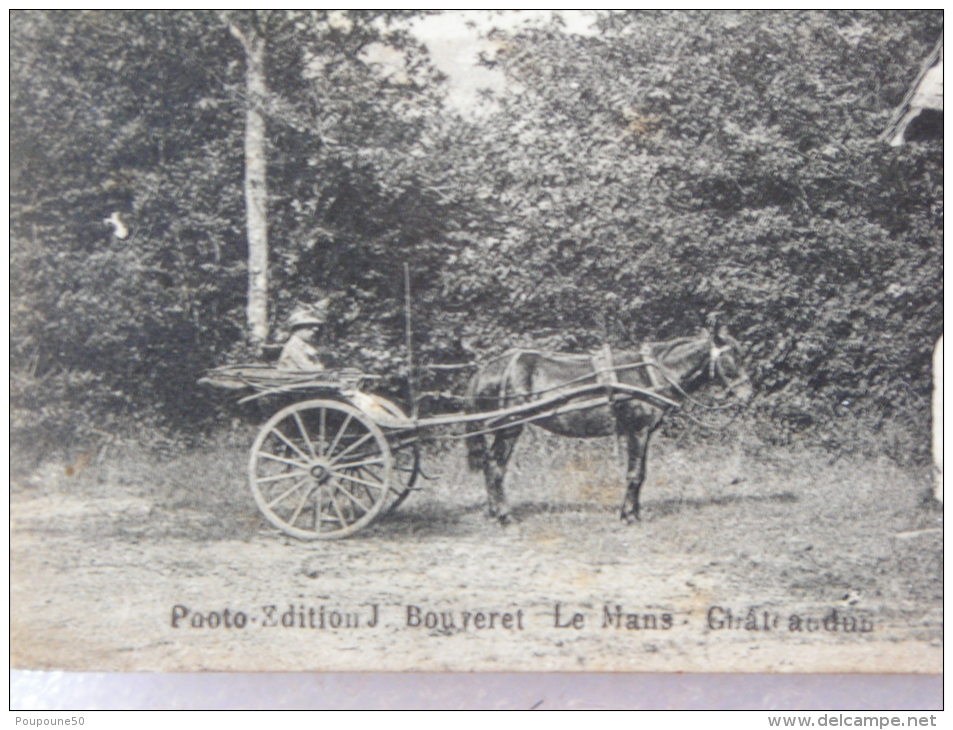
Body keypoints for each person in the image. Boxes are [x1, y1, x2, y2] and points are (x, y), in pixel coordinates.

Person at [277, 303, 329, 371]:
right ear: (297, 329)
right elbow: (307, 367)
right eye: (309, 326)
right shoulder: (294, 345)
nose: (315, 329)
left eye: (316, 326)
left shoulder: (304, 345)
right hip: (293, 379)